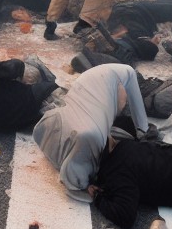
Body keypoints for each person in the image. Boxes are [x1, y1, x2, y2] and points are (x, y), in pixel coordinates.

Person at [33, 62, 150, 195]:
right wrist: (143, 129)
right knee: (92, 131)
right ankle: (78, 174)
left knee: (76, 117)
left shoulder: (118, 73)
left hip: (85, 81)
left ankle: (69, 152)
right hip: (93, 84)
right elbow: (137, 104)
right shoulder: (129, 73)